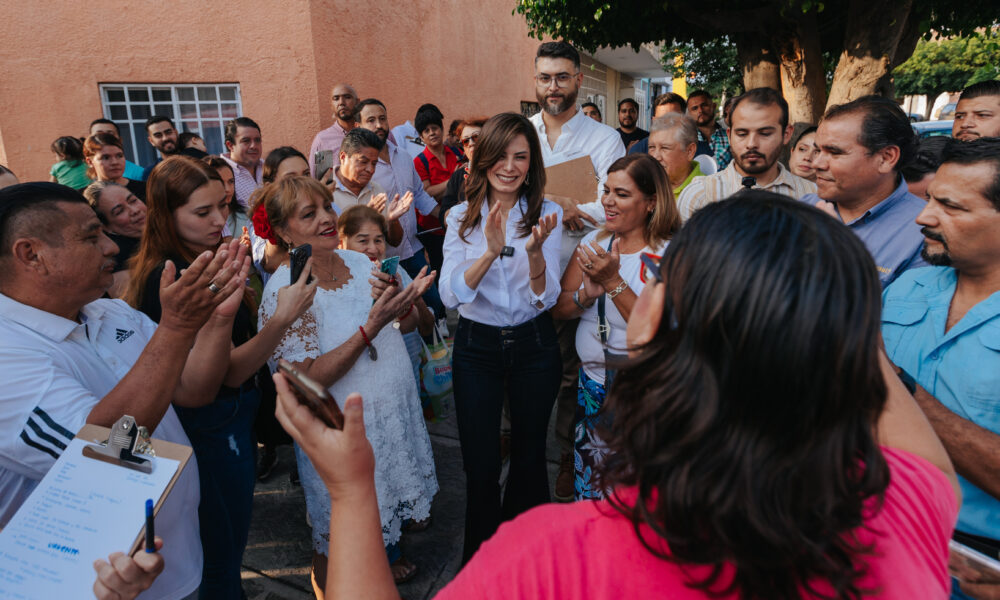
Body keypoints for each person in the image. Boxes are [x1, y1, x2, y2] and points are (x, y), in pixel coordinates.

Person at [279, 191, 962, 600]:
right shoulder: (896, 510)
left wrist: (350, 493)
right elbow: (888, 403)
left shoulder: (555, 557)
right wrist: (825, 286)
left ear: (650, 319)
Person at [0, 181, 251, 600]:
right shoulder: (9, 353)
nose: (112, 247)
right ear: (31, 254)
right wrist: (176, 328)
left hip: (178, 559)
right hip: (97, 585)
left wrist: (217, 318)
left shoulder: (107, 309)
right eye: (90, 236)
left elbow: (192, 389)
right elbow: (102, 450)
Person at [124, 156, 316, 599]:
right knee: (220, 549)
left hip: (233, 417)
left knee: (227, 539)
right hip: (211, 424)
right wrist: (281, 319)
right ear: (166, 216)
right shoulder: (172, 275)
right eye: (201, 212)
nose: (218, 221)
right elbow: (223, 375)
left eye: (222, 207)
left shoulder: (206, 256)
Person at [254, 175, 437, 593]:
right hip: (342, 432)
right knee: (337, 545)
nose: (325, 218)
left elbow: (400, 326)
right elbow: (301, 382)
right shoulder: (285, 290)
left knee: (377, 532)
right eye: (309, 213)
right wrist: (369, 328)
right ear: (282, 231)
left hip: (390, 420)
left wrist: (400, 302)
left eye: (326, 207)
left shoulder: (357, 262)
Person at [440, 112, 563, 561]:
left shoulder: (547, 213)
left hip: (534, 344)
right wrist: (490, 253)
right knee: (481, 465)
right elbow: (451, 296)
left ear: (532, 163)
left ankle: (524, 560)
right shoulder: (459, 218)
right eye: (501, 156)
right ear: (483, 158)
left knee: (531, 459)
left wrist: (533, 256)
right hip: (478, 348)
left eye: (521, 157)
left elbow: (544, 299)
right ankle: (482, 566)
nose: (510, 167)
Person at [881, 138, 1000, 600]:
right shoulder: (910, 285)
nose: (923, 217)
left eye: (950, 206)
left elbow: (881, 385)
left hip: (976, 570)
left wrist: (900, 391)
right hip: (877, 544)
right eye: (930, 198)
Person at [529, 40, 625, 502]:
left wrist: (566, 205)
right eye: (546, 77)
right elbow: (505, 195)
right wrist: (559, 204)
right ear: (536, 81)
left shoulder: (604, 139)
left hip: (577, 270)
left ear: (578, 80)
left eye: (562, 77)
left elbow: (612, 208)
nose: (554, 86)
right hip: (523, 269)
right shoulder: (522, 135)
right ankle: (516, 436)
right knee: (521, 363)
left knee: (572, 372)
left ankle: (567, 455)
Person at [551, 154, 680, 500]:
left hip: (643, 394)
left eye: (622, 194)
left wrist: (612, 281)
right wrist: (584, 295)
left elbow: (659, 330)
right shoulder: (595, 241)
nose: (608, 200)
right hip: (592, 389)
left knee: (637, 495)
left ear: (651, 202)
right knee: (594, 490)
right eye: (606, 190)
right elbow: (559, 310)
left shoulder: (668, 253)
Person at [803, 95, 927, 288]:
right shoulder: (803, 208)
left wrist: (841, 257)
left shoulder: (924, 231)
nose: (816, 163)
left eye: (835, 152)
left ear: (886, 158)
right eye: (818, 151)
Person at [337, 204, 434, 413]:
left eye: (378, 240)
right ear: (341, 243)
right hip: (359, 384)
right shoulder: (337, 283)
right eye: (362, 241)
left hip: (403, 370)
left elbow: (421, 326)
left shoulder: (395, 271)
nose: (372, 248)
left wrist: (405, 296)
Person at [357, 97, 448, 320]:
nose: (378, 125)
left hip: (414, 248)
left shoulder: (404, 157)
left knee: (434, 304)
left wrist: (445, 216)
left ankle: (436, 349)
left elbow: (419, 194)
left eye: (382, 118)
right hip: (385, 256)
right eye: (371, 120)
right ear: (358, 126)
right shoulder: (360, 167)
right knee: (401, 315)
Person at [677, 88, 816, 222]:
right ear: (729, 136)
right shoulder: (699, 195)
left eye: (765, 133)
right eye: (742, 134)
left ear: (786, 134)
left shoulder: (812, 196)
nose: (751, 144)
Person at [332, 128, 409, 248]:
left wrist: (392, 220)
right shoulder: (325, 193)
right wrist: (363, 217)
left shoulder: (377, 190)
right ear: (343, 157)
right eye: (363, 162)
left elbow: (395, 242)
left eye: (374, 163)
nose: (370, 170)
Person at [413, 105, 462, 274]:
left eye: (435, 128)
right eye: (426, 131)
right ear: (421, 137)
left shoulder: (457, 152)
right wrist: (453, 180)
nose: (432, 133)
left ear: (442, 129)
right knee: (439, 269)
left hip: (457, 222)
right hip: (432, 228)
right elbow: (426, 193)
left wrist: (443, 188)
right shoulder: (419, 161)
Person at [83, 181, 145, 296]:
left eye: (133, 201)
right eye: (119, 211)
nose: (135, 210)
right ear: (106, 227)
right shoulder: (117, 263)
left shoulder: (166, 229)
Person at [629, 93, 707, 156]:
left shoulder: (701, 151)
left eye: (673, 119)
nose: (667, 125)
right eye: (661, 120)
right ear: (654, 120)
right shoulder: (638, 151)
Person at [441, 117, 487, 224]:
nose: (470, 143)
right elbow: (444, 214)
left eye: (475, 137)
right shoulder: (458, 176)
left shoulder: (499, 171)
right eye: (465, 141)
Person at [647, 113, 704, 197]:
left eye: (664, 148)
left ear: (689, 151)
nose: (655, 157)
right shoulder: (644, 185)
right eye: (652, 147)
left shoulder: (705, 193)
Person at [309, 83, 359, 177]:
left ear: (357, 102)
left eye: (347, 97)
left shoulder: (368, 133)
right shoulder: (324, 140)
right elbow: (322, 181)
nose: (341, 102)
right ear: (332, 105)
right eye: (336, 99)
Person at [83, 133, 147, 201]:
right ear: (89, 161)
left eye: (119, 156)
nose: (115, 162)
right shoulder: (84, 198)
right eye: (106, 157)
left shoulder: (146, 189)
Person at [220, 117, 264, 210]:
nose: (253, 146)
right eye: (246, 141)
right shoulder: (218, 173)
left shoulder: (269, 167)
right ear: (230, 145)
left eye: (257, 140)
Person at [687, 89, 732, 169]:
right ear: (689, 114)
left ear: (714, 106)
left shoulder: (730, 137)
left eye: (704, 105)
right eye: (695, 108)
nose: (700, 110)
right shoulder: (686, 140)